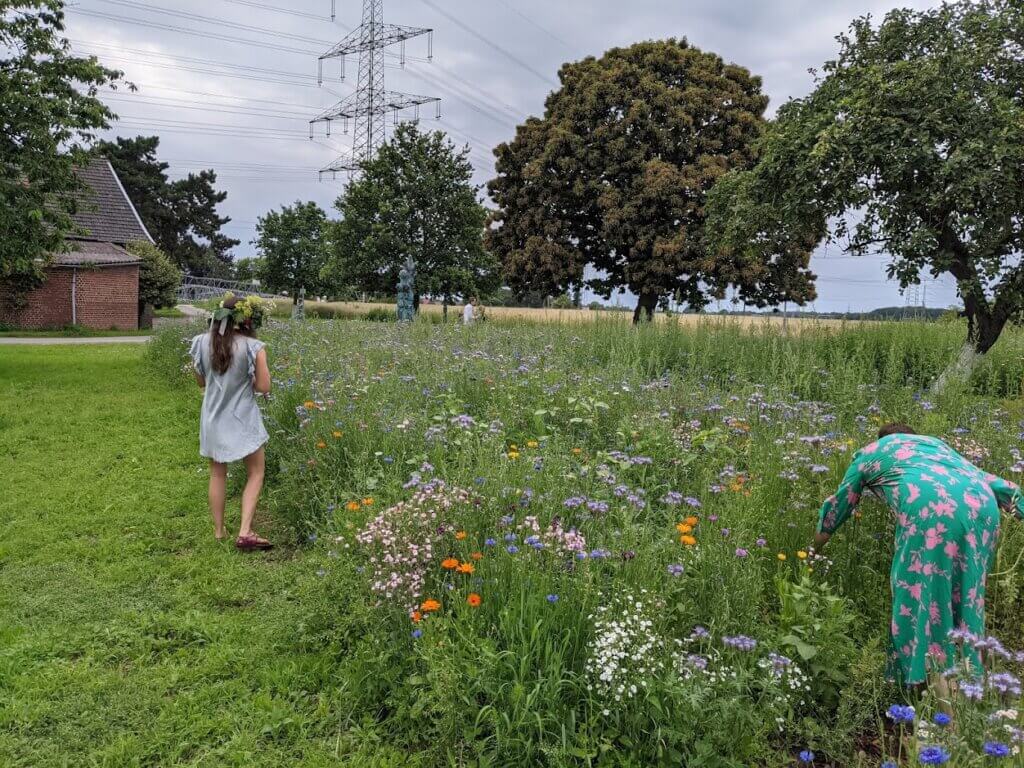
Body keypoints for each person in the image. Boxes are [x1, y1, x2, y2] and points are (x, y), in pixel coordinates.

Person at [813, 423, 1023, 701]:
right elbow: (1006, 488)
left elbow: (839, 505)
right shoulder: (938, 448)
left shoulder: (873, 451)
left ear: (885, 438)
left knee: (921, 597)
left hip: (930, 508)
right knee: (968, 600)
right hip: (982, 507)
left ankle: (940, 705)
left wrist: (812, 551)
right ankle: (970, 694)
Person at [189, 294, 273, 551]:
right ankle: (245, 530)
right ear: (247, 319)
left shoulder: (201, 342)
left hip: (213, 417)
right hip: (243, 417)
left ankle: (219, 531)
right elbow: (263, 386)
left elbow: (201, 382)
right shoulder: (253, 346)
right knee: (256, 472)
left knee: (217, 473)